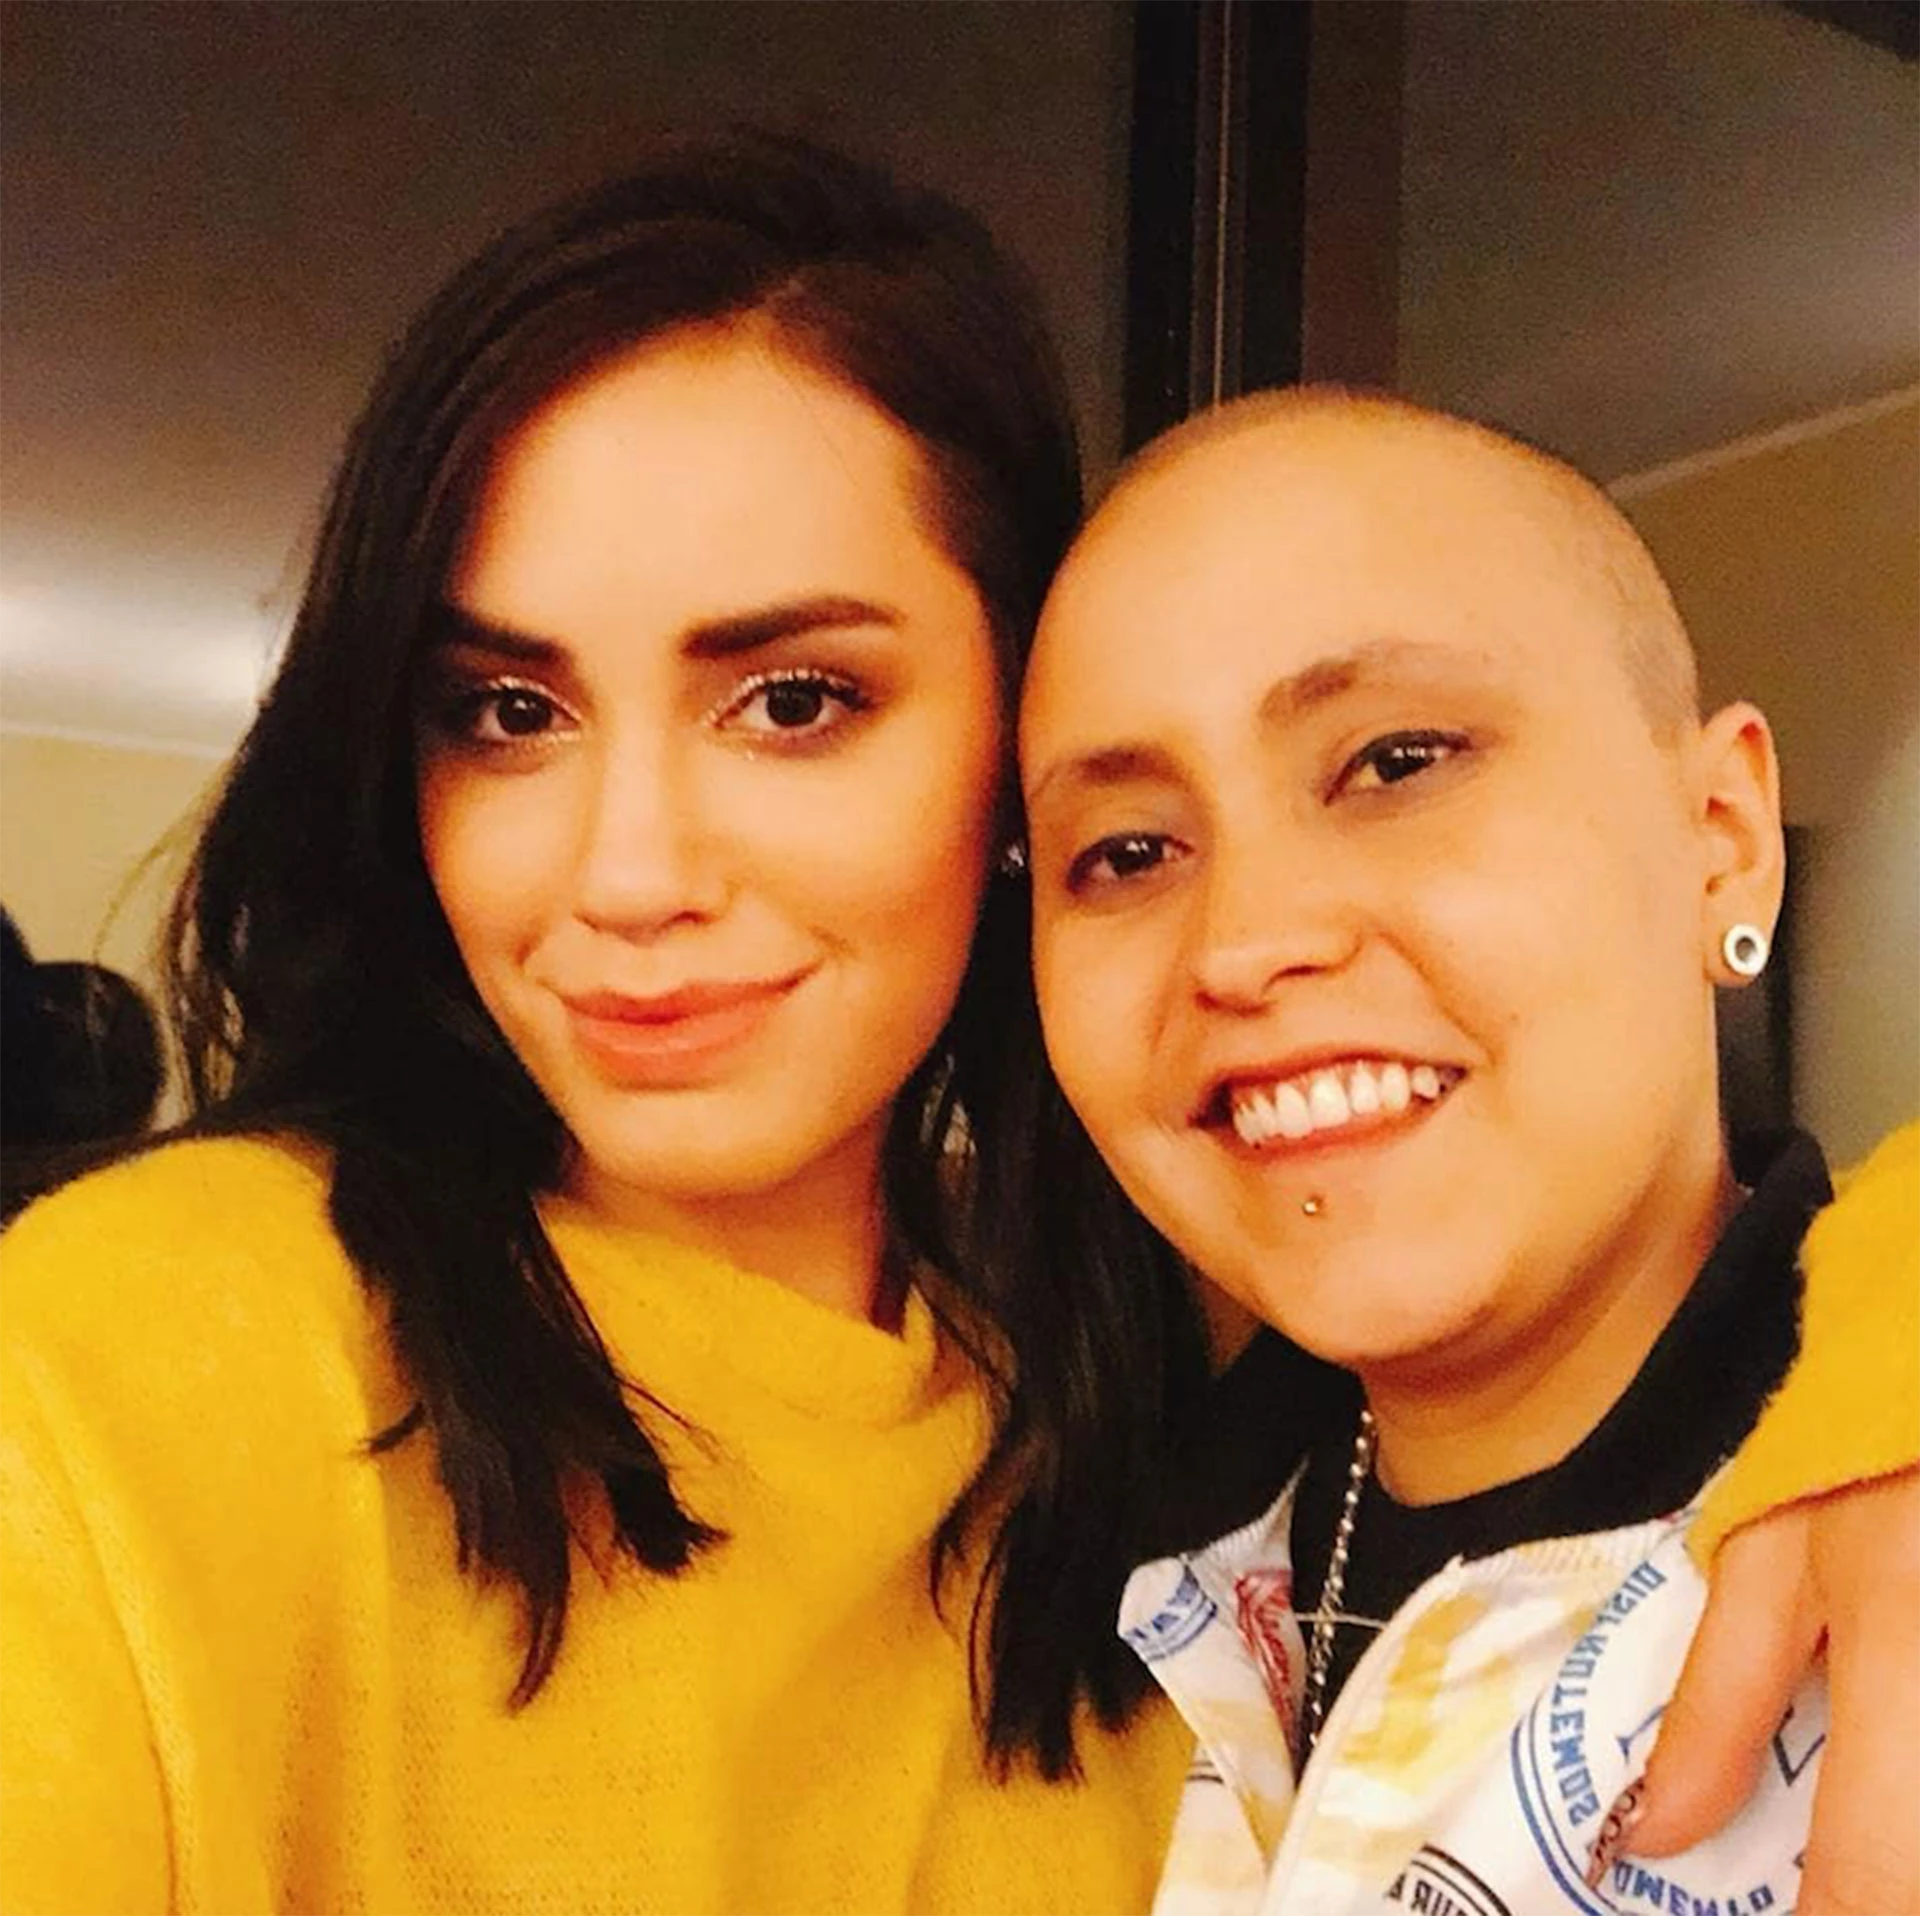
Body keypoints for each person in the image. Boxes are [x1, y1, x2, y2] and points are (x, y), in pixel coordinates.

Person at [0, 142, 1909, 1915]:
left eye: (792, 701)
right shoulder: (131, 1365)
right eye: (509, 714)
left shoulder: (1142, 1403)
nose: (628, 873)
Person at [1019, 387, 1920, 1915]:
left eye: (1394, 763)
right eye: (1128, 852)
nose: (1243, 941)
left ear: (1721, 835)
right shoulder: (1079, 1566)